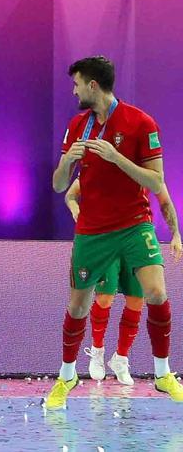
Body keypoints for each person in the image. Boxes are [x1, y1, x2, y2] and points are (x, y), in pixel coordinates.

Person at [45, 56, 182, 409]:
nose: (73, 90)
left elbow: (157, 181)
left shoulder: (140, 122)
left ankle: (164, 374)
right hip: (92, 231)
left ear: (93, 85)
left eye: (77, 84)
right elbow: (60, 186)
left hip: (136, 225)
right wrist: (66, 162)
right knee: (78, 306)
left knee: (155, 292)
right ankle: (67, 376)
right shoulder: (77, 126)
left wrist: (116, 157)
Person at [68, 178, 177, 385]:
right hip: (106, 239)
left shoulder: (144, 167)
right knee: (105, 298)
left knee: (136, 301)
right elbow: (71, 194)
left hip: (135, 239)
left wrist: (176, 235)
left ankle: (121, 358)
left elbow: (164, 198)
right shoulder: (100, 163)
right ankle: (98, 350)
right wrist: (76, 209)